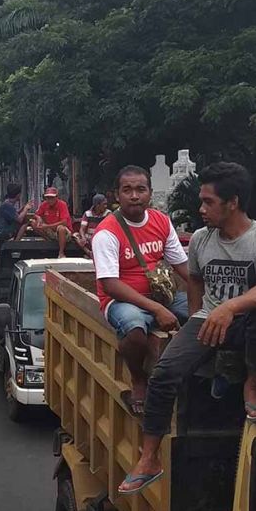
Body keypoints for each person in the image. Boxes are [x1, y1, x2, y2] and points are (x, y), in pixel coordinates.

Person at [119, 162, 256, 495]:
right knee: (165, 374)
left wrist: (229, 307)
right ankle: (149, 457)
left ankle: (252, 387)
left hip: (248, 322)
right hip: (208, 320)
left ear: (233, 202)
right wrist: (197, 319)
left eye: (209, 201)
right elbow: (194, 278)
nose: (201, 209)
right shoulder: (200, 239)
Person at [92, 166, 191, 418]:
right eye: (127, 190)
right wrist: (156, 309)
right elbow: (110, 284)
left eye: (140, 189)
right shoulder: (107, 232)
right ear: (117, 195)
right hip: (121, 300)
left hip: (161, 295)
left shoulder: (161, 221)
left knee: (199, 318)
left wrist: (209, 300)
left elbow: (181, 265)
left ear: (149, 193)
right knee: (135, 330)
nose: (134, 195)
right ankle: (138, 377)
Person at [32, 187, 73, 258]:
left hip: (63, 232)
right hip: (50, 230)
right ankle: (49, 240)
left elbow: (64, 222)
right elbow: (36, 214)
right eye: (48, 198)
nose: (49, 200)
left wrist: (47, 226)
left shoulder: (62, 204)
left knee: (61, 228)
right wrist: (38, 218)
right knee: (33, 222)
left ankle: (61, 252)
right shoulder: (44, 204)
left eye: (52, 198)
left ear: (56, 197)